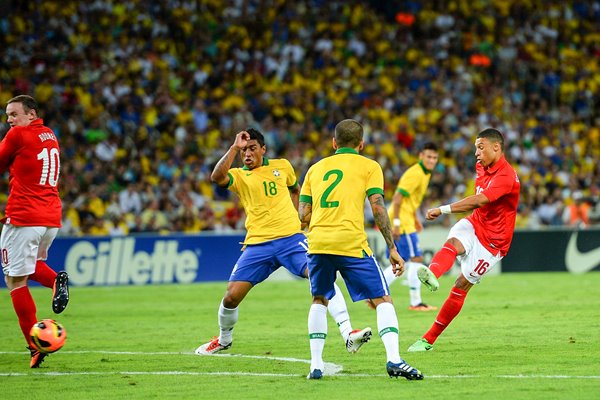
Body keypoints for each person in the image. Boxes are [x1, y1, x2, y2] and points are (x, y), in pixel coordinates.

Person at [195, 128, 370, 355]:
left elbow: (295, 189)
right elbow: (217, 177)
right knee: (231, 296)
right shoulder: (239, 175)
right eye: (244, 150)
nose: (247, 154)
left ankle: (348, 333)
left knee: (320, 275)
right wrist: (233, 147)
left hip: (291, 239)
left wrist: (301, 219)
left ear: (263, 149)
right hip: (258, 244)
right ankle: (224, 339)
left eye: (252, 148)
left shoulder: (282, 166)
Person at [299, 119, 423, 380]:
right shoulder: (369, 166)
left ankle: (316, 365)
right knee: (382, 299)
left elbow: (303, 214)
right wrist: (392, 247)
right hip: (351, 243)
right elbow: (378, 207)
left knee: (319, 299)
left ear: (334, 143)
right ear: (362, 144)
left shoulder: (314, 169)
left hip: (319, 242)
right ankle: (394, 360)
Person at [407, 128, 520, 352]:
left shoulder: (507, 176)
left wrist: (443, 209)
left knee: (461, 285)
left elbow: (479, 200)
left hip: (493, 243)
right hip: (476, 223)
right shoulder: (482, 166)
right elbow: (478, 204)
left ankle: (428, 339)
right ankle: (433, 274)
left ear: (496, 147)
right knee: (453, 244)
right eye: (475, 147)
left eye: (481, 147)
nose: (476, 153)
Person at [0, 95, 70, 368]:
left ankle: (35, 346)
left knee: (15, 281)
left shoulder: (19, 135)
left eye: (14, 114)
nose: (9, 120)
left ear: (31, 114)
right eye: (7, 116)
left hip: (24, 216)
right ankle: (55, 281)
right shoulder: (49, 135)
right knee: (30, 266)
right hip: (50, 217)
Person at [380, 142, 440, 311]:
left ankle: (376, 295)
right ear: (421, 156)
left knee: (400, 261)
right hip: (401, 220)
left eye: (434, 158)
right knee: (416, 259)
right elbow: (398, 198)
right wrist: (397, 224)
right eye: (428, 156)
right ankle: (415, 302)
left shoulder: (424, 173)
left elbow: (409, 200)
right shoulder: (415, 173)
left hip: (406, 218)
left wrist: (416, 219)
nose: (431, 160)